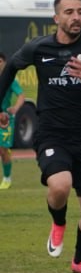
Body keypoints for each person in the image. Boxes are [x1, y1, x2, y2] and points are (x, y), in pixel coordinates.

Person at [0, 0, 81, 273]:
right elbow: (12, 66)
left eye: (79, 11)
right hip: (52, 134)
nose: (76, 17)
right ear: (56, 18)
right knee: (60, 186)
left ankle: (80, 261)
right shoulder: (39, 48)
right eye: (69, 12)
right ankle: (59, 223)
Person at [0, 53, 26, 189]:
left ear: (5, 63)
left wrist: (15, 107)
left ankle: (7, 178)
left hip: (5, 119)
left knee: (3, 150)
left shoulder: (10, 80)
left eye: (0, 61)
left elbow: (21, 95)